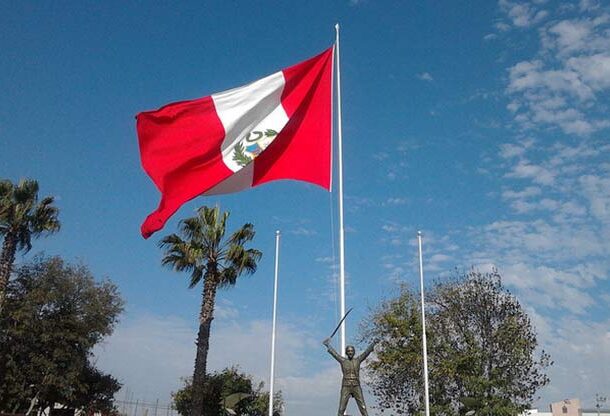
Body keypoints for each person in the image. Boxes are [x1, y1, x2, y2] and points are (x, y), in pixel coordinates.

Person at [323, 338, 376, 416]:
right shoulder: (343, 361)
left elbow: (366, 353)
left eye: (351, 351)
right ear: (346, 353)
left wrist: (373, 343)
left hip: (356, 385)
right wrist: (328, 345)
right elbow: (335, 354)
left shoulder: (358, 360)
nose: (350, 352)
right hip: (346, 385)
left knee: (363, 407)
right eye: (348, 351)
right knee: (341, 408)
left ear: (354, 352)